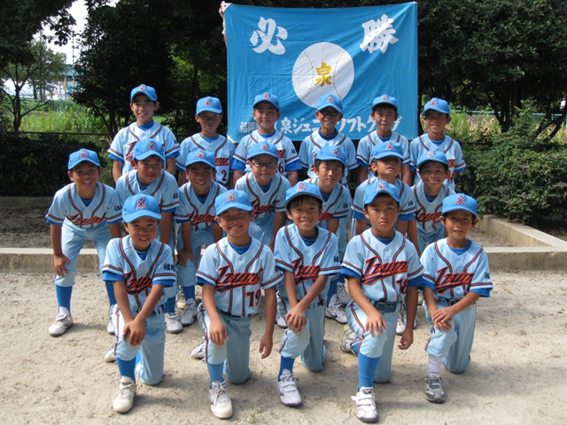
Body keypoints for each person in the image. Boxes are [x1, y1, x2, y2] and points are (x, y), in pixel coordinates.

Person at [195, 190, 283, 419]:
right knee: (217, 337)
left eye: (240, 215)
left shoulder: (263, 252)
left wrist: (269, 332)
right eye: (228, 216)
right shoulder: (213, 252)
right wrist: (215, 320)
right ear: (218, 221)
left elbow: (270, 294)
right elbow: (207, 291)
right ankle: (216, 384)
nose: (234, 221)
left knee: (239, 378)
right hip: (215, 312)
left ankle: (212, 347)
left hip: (242, 320)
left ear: (251, 216)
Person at [341, 180, 423, 423]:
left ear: (399, 211)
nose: (383, 214)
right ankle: (364, 392)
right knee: (374, 335)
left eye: (389, 208)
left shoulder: (407, 246)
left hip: (392, 311)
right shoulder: (358, 242)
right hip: (362, 307)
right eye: (376, 208)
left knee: (383, 375)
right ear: (366, 213)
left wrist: (409, 327)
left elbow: (412, 289)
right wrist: (370, 312)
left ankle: (356, 345)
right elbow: (353, 285)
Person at [102, 194, 176, 413]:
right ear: (125, 225)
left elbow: (158, 288)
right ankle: (126, 382)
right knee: (128, 338)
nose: (144, 231)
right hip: (126, 310)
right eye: (136, 224)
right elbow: (118, 285)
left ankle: (128, 352)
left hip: (153, 314)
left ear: (158, 225)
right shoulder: (115, 246)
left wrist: (140, 321)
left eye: (150, 224)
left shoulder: (163, 250)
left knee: (153, 379)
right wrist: (130, 321)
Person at [420, 193, 493, 403]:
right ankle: (433, 376)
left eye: (465, 219)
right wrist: (433, 312)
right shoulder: (433, 250)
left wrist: (454, 310)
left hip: (464, 308)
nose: (459, 224)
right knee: (444, 327)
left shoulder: (478, 253)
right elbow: (426, 285)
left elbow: (477, 291)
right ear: (442, 221)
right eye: (453, 218)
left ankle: (440, 345)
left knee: (457, 367)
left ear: (474, 223)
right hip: (439, 303)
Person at [274, 182, 340, 406]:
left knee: (315, 366)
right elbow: (288, 274)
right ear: (289, 213)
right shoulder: (284, 233)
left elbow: (323, 279)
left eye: (312, 209)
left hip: (316, 302)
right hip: (290, 299)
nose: (306, 214)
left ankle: (318, 345)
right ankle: (285, 374)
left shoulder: (330, 238)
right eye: (299, 209)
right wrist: (296, 307)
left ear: (321, 212)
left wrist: (303, 306)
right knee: (298, 327)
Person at [46, 149, 122, 337]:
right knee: (65, 265)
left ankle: (115, 310)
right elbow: (55, 224)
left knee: (111, 264)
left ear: (100, 172)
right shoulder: (63, 195)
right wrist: (57, 255)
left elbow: (114, 226)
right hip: (73, 228)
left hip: (102, 227)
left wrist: (117, 254)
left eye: (90, 170)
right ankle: (64, 312)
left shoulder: (109, 194)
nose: (86, 176)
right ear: (71, 175)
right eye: (79, 172)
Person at [351, 142, 419, 335]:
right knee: (367, 276)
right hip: (369, 237)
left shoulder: (406, 190)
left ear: (401, 166)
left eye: (395, 160)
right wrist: (362, 249)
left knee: (396, 271)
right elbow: (360, 222)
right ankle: (363, 310)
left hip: (393, 235)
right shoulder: (363, 188)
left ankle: (398, 307)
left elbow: (405, 222)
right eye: (385, 160)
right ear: (373, 165)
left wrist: (400, 249)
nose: (390, 163)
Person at [115, 139, 181, 333]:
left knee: (166, 268)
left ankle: (169, 310)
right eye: (146, 164)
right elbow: (123, 219)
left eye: (157, 164)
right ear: (134, 163)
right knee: (132, 270)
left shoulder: (168, 180)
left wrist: (163, 249)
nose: (152, 169)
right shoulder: (123, 182)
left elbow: (167, 216)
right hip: (134, 231)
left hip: (159, 229)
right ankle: (127, 310)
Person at [175, 150, 226, 326]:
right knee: (186, 259)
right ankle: (190, 301)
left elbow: (218, 224)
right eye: (195, 171)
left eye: (206, 171)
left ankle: (217, 298)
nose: (201, 176)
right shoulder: (182, 192)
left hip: (213, 230)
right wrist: (187, 249)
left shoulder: (221, 191)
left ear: (214, 173)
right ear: (187, 174)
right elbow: (185, 224)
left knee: (221, 258)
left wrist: (219, 251)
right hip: (190, 231)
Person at [305, 146, 352, 324]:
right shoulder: (306, 187)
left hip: (327, 228)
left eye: (337, 169)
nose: (331, 173)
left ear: (343, 173)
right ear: (316, 169)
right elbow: (300, 221)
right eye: (326, 168)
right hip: (303, 231)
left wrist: (326, 247)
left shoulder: (343, 192)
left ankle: (332, 299)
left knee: (334, 252)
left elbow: (334, 224)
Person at [108, 84, 179, 183]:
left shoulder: (165, 133)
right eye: (137, 104)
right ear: (131, 106)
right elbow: (116, 168)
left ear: (156, 105)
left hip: (158, 188)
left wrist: (162, 187)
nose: (142, 108)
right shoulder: (123, 134)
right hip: (130, 188)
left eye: (147, 103)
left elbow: (171, 167)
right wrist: (122, 188)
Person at [231, 92, 300, 187]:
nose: (265, 116)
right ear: (254, 115)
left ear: (278, 115)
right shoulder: (246, 141)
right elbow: (238, 171)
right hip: (250, 188)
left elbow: (292, 172)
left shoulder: (285, 141)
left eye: (270, 111)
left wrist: (290, 194)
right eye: (261, 111)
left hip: (279, 189)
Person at [235, 142, 290, 251]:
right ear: (250, 165)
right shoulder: (242, 184)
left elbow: (279, 214)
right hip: (248, 221)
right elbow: (240, 215)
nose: (265, 168)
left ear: (277, 165)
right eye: (259, 163)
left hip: (270, 220)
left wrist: (274, 241)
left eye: (270, 163)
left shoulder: (283, 183)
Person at [299, 94, 358, 186]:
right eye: (325, 112)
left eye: (333, 112)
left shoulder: (346, 142)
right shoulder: (308, 141)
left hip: (339, 187)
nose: (329, 116)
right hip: (314, 187)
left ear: (340, 117)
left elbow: (349, 169)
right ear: (317, 115)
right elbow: (304, 168)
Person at [176, 96, 234, 187]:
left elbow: (232, 175)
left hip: (222, 191)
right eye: (205, 116)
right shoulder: (188, 143)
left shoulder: (228, 145)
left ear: (221, 118)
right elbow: (182, 173)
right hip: (194, 191)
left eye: (214, 116)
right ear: (197, 118)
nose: (210, 120)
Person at [409, 98, 465, 189]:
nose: (435, 120)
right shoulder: (416, 144)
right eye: (431, 116)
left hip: (447, 193)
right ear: (425, 119)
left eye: (439, 116)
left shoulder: (454, 145)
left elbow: (456, 173)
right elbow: (411, 172)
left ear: (448, 120)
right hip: (420, 193)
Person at [356, 94, 411, 185]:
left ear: (396, 116)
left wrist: (404, 190)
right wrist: (365, 191)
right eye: (380, 114)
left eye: (389, 114)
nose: (385, 119)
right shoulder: (365, 141)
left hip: (396, 187)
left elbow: (405, 171)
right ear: (373, 115)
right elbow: (363, 173)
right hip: (373, 188)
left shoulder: (402, 140)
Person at [412, 151, 455, 253]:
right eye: (427, 171)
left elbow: (450, 224)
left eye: (438, 171)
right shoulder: (411, 193)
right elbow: (409, 222)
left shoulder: (450, 195)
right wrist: (416, 250)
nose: (432, 175)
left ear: (447, 174)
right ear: (420, 174)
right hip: (417, 229)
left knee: (442, 254)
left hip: (439, 229)